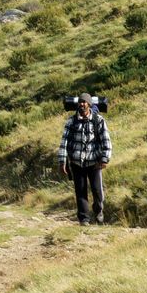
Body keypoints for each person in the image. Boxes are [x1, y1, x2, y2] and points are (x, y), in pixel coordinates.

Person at [57, 92, 112, 225]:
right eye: (80, 102)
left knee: (98, 193)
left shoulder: (98, 120)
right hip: (76, 163)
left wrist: (104, 158)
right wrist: (62, 161)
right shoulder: (71, 121)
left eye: (84, 102)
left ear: (89, 104)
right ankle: (84, 219)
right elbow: (64, 142)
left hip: (95, 163)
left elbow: (106, 140)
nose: (81, 104)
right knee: (80, 192)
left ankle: (98, 214)